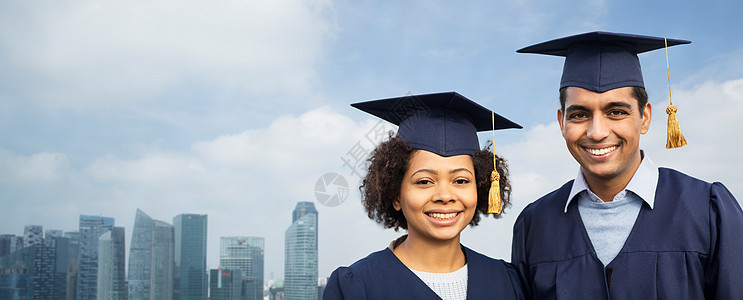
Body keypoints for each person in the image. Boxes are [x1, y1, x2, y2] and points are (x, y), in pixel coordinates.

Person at [511, 31, 743, 299]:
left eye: (616, 112)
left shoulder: (707, 210)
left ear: (644, 117)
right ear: (562, 122)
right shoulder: (534, 224)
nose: (597, 132)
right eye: (580, 115)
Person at [324, 92, 524, 299]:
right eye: (424, 182)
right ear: (396, 195)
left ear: (481, 187)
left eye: (461, 181)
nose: (445, 196)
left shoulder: (505, 280)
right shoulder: (355, 287)